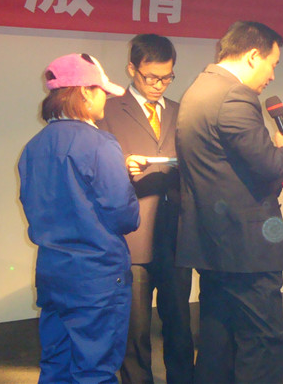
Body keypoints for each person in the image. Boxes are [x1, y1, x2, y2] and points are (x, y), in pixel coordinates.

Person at [175, 21, 283, 383]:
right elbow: (267, 165)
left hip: (212, 243)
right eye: (272, 64)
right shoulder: (235, 96)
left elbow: (230, 169)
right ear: (252, 56)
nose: (272, 76)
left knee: (217, 343)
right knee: (261, 343)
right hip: (246, 249)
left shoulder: (197, 90)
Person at [18, 53, 140, 383]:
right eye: (102, 91)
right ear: (85, 92)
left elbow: (34, 208)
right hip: (97, 278)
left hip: (53, 274)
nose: (105, 100)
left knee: (55, 365)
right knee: (95, 371)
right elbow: (125, 216)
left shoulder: (33, 147)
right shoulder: (100, 143)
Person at [96, 34, 194, 383]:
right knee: (134, 330)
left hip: (176, 235)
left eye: (167, 78)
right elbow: (93, 170)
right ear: (131, 69)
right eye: (150, 77)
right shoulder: (108, 111)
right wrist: (121, 166)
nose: (158, 85)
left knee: (180, 323)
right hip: (132, 236)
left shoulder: (181, 112)